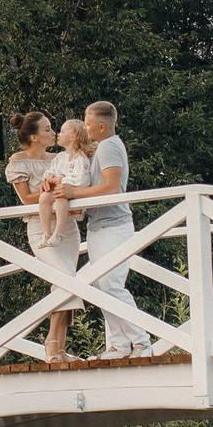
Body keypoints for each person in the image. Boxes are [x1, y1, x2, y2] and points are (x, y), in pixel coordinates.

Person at [55, 100, 151, 358]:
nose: (84, 128)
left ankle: (141, 342)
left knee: (111, 286)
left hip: (114, 225)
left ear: (100, 125)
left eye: (87, 123)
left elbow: (112, 187)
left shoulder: (109, 146)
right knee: (102, 287)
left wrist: (74, 192)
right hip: (99, 225)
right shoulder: (101, 147)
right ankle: (118, 346)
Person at [2, 112, 83, 362]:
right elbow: (26, 198)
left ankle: (58, 348)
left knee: (64, 283)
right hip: (40, 227)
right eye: (48, 129)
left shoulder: (60, 158)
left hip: (66, 227)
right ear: (35, 137)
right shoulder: (19, 162)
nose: (54, 132)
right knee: (66, 279)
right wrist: (53, 191)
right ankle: (50, 344)